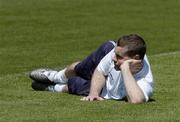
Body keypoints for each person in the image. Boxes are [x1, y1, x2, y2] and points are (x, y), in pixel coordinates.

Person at [29, 34, 154, 104]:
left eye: (119, 56)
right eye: (115, 54)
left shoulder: (144, 80)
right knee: (79, 68)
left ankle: (52, 87)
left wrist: (126, 69)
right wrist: (93, 92)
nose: (114, 58)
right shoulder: (112, 53)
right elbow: (100, 71)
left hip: (106, 91)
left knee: (74, 84)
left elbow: (136, 100)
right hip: (102, 72)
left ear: (136, 58)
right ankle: (54, 76)